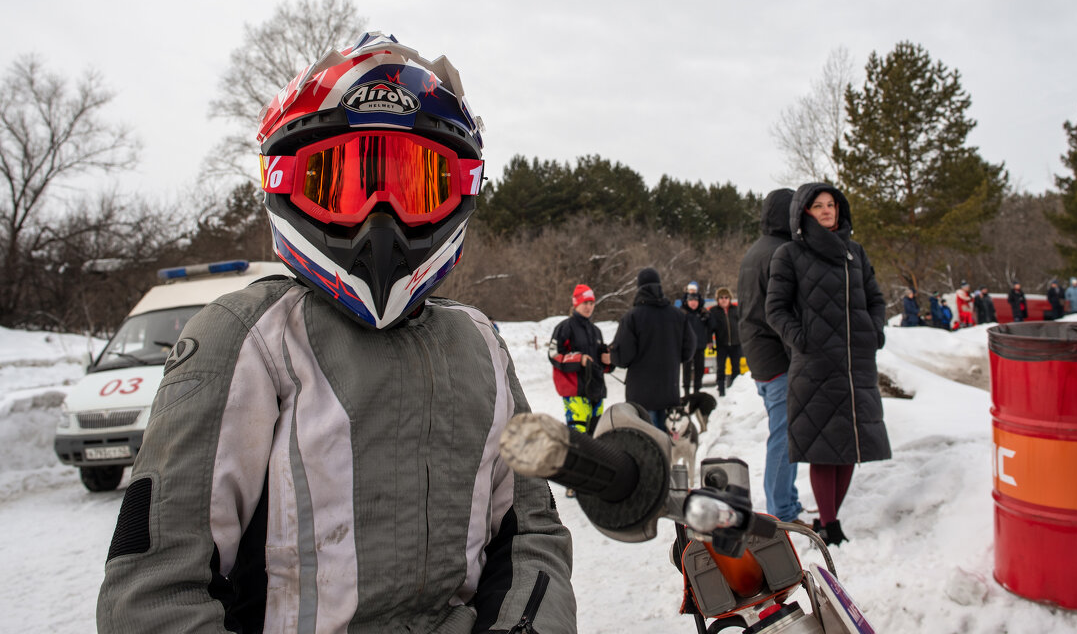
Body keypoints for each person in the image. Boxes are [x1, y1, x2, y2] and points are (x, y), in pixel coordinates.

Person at [96, 34, 576, 633]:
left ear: (460, 189)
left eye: (417, 185)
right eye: (341, 184)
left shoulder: (480, 344)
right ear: (288, 183)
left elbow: (531, 533)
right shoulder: (247, 340)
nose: (382, 217)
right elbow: (153, 594)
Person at [766, 184, 890, 546]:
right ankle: (829, 523)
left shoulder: (855, 253)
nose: (826, 211)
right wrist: (802, 340)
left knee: (850, 443)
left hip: (857, 364)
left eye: (831, 204)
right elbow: (775, 309)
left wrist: (875, 331)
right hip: (816, 366)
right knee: (824, 446)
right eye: (817, 206)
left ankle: (828, 518)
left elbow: (876, 299)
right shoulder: (790, 254)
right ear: (803, 213)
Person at [737, 188, 806, 525]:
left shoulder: (754, 252)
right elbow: (783, 312)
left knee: (784, 431)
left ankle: (787, 502)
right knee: (785, 435)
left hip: (761, 356)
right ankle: (781, 511)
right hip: (777, 357)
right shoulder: (781, 251)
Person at [611, 267, 695, 432]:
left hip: (640, 397)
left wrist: (612, 355)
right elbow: (689, 350)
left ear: (638, 288)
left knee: (647, 444)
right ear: (659, 286)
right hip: (669, 392)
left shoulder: (632, 317)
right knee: (666, 444)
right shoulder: (678, 316)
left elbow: (623, 357)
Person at [549, 283, 611, 434]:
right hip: (574, 390)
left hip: (596, 390)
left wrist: (608, 361)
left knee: (596, 435)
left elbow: (600, 365)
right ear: (576, 303)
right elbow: (553, 354)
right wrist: (579, 359)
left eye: (591, 303)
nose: (588, 307)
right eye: (585, 303)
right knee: (579, 437)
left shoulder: (596, 331)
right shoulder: (565, 327)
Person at [708, 286, 742, 396]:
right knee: (721, 368)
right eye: (721, 297)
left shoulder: (735, 310)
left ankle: (735, 390)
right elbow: (710, 328)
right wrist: (709, 341)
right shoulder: (714, 311)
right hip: (721, 344)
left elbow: (742, 325)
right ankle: (721, 390)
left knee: (736, 368)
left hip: (736, 343)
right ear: (718, 299)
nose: (724, 299)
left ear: (730, 298)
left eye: (726, 297)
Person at [680, 281, 710, 395]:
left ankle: (697, 390)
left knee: (699, 369)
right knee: (686, 370)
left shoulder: (702, 310)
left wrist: (707, 316)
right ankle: (686, 391)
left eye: (694, 291)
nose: (693, 302)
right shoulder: (683, 310)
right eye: (690, 291)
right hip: (687, 345)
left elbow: (711, 325)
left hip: (700, 344)